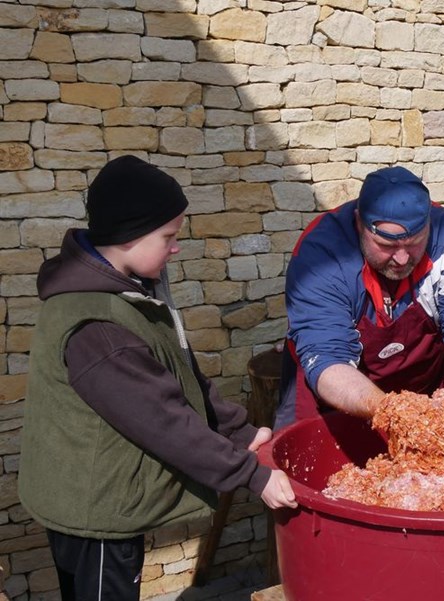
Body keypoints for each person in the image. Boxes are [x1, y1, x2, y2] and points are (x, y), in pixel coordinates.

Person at [18, 155, 298, 600]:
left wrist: (240, 432)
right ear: (130, 235)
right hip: (95, 511)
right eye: (168, 236)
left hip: (100, 493)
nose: (176, 247)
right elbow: (164, 420)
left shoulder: (129, 292)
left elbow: (180, 373)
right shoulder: (100, 327)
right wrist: (254, 476)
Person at [275, 165, 444, 427]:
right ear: (359, 223)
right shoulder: (321, 256)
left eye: (414, 243)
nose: (402, 258)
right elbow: (329, 360)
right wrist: (395, 413)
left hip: (423, 388)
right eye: (386, 245)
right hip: (333, 393)